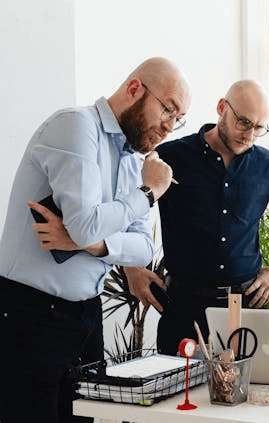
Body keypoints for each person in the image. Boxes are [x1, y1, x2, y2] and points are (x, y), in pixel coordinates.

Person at [0, 57, 191, 423]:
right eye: (168, 109)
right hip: (30, 314)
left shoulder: (133, 161)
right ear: (134, 89)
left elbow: (142, 248)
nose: (170, 126)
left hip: (87, 315)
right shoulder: (75, 126)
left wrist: (93, 245)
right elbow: (86, 225)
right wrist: (148, 192)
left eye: (178, 118)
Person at [124, 79, 269, 355]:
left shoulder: (266, 164)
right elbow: (125, 206)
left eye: (258, 128)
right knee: (178, 384)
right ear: (221, 107)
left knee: (246, 384)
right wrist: (130, 269)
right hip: (182, 308)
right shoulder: (170, 157)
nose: (249, 135)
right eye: (244, 122)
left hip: (245, 308)